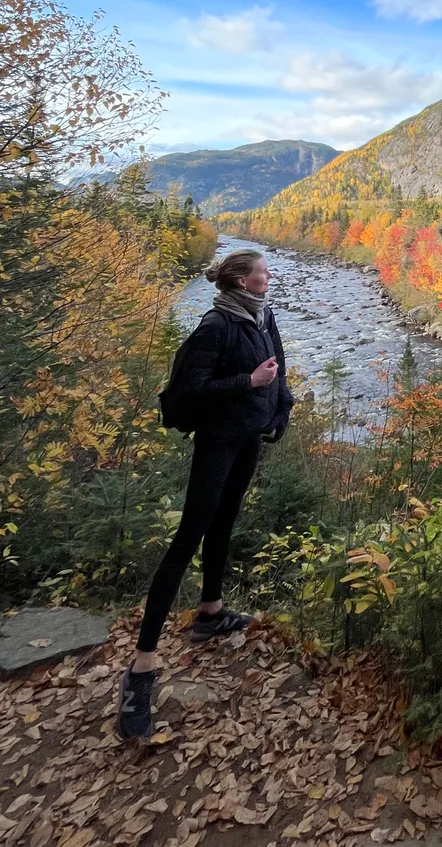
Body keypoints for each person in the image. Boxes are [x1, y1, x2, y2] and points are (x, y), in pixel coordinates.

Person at [116, 248, 294, 740]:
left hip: (250, 437)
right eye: (262, 271)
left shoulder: (263, 316)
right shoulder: (216, 326)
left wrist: (280, 412)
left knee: (223, 525)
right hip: (218, 442)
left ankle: (210, 612)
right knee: (188, 539)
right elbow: (189, 392)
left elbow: (281, 368)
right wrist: (249, 381)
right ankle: (141, 668)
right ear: (240, 280)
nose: (268, 276)